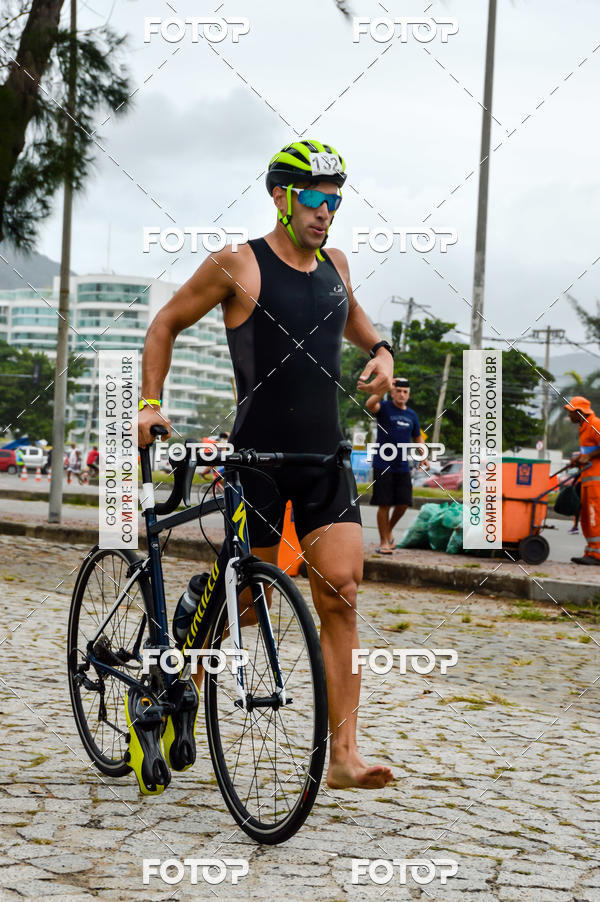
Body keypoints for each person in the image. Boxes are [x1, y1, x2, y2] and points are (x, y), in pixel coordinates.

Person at [138, 139, 395, 790]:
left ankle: (343, 755)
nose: (325, 211)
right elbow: (165, 323)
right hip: (257, 460)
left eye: (334, 200)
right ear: (280, 198)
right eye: (313, 197)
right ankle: (178, 679)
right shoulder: (238, 265)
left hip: (323, 460)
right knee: (242, 602)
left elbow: (354, 318)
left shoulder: (335, 265)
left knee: (341, 592)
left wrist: (383, 352)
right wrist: (149, 404)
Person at [366, 377, 428, 553]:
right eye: (398, 391)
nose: (401, 394)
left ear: (408, 394)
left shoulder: (412, 415)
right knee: (384, 504)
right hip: (382, 463)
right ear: (393, 392)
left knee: (403, 503)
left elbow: (417, 437)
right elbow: (370, 404)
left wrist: (424, 455)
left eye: (405, 392)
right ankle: (384, 542)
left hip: (402, 466)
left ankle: (389, 530)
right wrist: (384, 387)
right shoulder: (384, 408)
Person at [565, 396, 600, 564]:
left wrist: (589, 456)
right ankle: (591, 552)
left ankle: (597, 555)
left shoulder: (595, 424)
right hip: (588, 479)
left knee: (595, 517)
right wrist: (579, 459)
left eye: (571, 412)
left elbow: (592, 454)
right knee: (586, 517)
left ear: (580, 412)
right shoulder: (584, 428)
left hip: (597, 482)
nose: (569, 416)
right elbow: (590, 453)